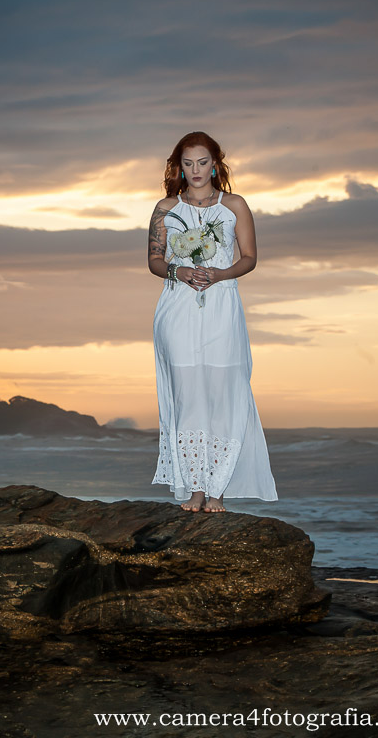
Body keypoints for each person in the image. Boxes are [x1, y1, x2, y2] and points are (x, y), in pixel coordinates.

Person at [146, 131, 277, 512]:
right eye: (187, 164)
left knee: (224, 391)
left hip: (222, 306)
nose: (195, 170)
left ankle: (217, 489)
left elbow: (249, 257)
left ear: (215, 164)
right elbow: (154, 261)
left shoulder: (233, 205)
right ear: (178, 167)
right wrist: (178, 271)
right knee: (186, 393)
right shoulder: (165, 208)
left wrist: (219, 275)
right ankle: (195, 490)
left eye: (202, 162)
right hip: (178, 309)